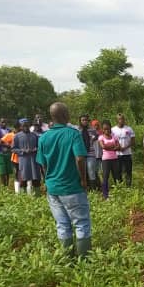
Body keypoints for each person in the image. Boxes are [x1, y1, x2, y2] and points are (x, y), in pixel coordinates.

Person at [36, 102, 91, 258]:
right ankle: (84, 261)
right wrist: (83, 179)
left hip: (53, 188)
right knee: (81, 224)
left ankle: (68, 259)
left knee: (62, 224)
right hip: (72, 187)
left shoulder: (43, 138)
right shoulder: (73, 134)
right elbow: (80, 158)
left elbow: (43, 164)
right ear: (65, 115)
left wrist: (47, 180)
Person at [12, 119, 40, 195]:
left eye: (27, 125)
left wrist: (36, 149)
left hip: (34, 160)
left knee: (36, 178)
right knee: (23, 178)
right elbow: (13, 148)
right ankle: (23, 195)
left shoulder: (34, 135)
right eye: (24, 126)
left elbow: (39, 147)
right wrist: (23, 151)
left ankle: (37, 195)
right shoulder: (17, 136)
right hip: (23, 160)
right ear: (20, 127)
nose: (26, 127)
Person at [97, 120, 120, 199]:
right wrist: (113, 147)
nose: (106, 130)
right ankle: (105, 194)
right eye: (105, 129)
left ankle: (118, 192)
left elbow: (118, 147)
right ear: (102, 129)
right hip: (106, 160)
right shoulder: (101, 137)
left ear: (110, 128)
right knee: (105, 177)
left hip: (115, 159)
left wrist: (110, 147)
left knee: (116, 176)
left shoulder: (114, 136)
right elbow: (103, 146)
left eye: (108, 128)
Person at [112, 113, 135, 187]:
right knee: (118, 171)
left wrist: (125, 147)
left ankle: (128, 187)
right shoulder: (113, 130)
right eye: (119, 119)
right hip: (117, 154)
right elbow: (111, 140)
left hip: (127, 154)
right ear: (117, 120)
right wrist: (117, 147)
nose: (121, 120)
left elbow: (133, 141)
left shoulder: (129, 129)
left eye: (122, 119)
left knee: (128, 171)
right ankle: (119, 187)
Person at [0, 117, 15, 188]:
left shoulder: (9, 130)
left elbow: (12, 139)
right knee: (2, 170)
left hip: (8, 152)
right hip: (0, 152)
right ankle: (3, 186)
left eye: (5, 122)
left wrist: (10, 145)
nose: (4, 123)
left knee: (7, 170)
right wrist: (6, 145)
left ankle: (7, 185)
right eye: (2, 122)